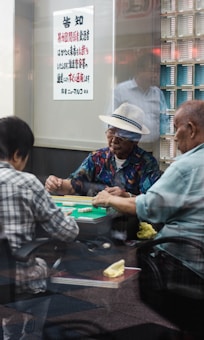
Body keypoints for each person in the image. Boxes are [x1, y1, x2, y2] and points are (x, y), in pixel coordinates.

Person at [92, 99, 204, 279]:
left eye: (176, 129)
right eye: (111, 130)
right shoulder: (97, 157)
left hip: (185, 261)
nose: (174, 137)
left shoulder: (183, 166)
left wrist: (110, 199)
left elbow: (149, 207)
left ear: (191, 129)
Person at [0, 116, 79, 339]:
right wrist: (65, 218)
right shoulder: (26, 182)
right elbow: (68, 232)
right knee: (45, 267)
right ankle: (30, 335)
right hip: (16, 280)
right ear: (16, 154)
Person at [45, 102, 162, 240]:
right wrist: (57, 184)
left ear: (135, 140)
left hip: (129, 229)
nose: (114, 140)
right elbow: (74, 186)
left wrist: (126, 196)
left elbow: (151, 204)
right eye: (111, 131)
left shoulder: (147, 163)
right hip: (96, 227)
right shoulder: (97, 158)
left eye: (122, 135)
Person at [110, 52, 168, 158]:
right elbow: (111, 120)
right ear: (139, 70)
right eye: (152, 71)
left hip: (153, 148)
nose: (155, 75)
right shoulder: (121, 90)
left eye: (157, 72)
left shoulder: (157, 93)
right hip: (128, 149)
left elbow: (164, 118)